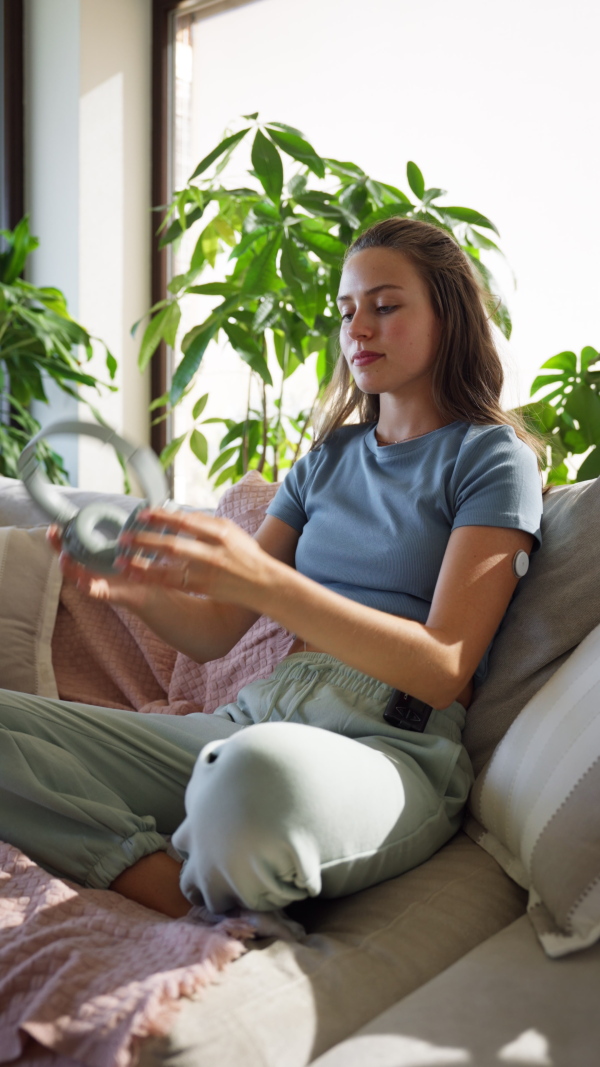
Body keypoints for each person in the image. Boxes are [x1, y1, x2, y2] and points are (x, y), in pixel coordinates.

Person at [0, 218, 543, 921]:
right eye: (347, 312)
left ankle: (197, 861)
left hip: (391, 739)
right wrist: (126, 590)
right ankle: (152, 874)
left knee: (249, 779)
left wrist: (263, 582)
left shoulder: (492, 458)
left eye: (385, 305)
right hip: (256, 716)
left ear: (448, 314)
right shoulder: (326, 460)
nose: (358, 329)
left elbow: (443, 665)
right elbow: (215, 631)